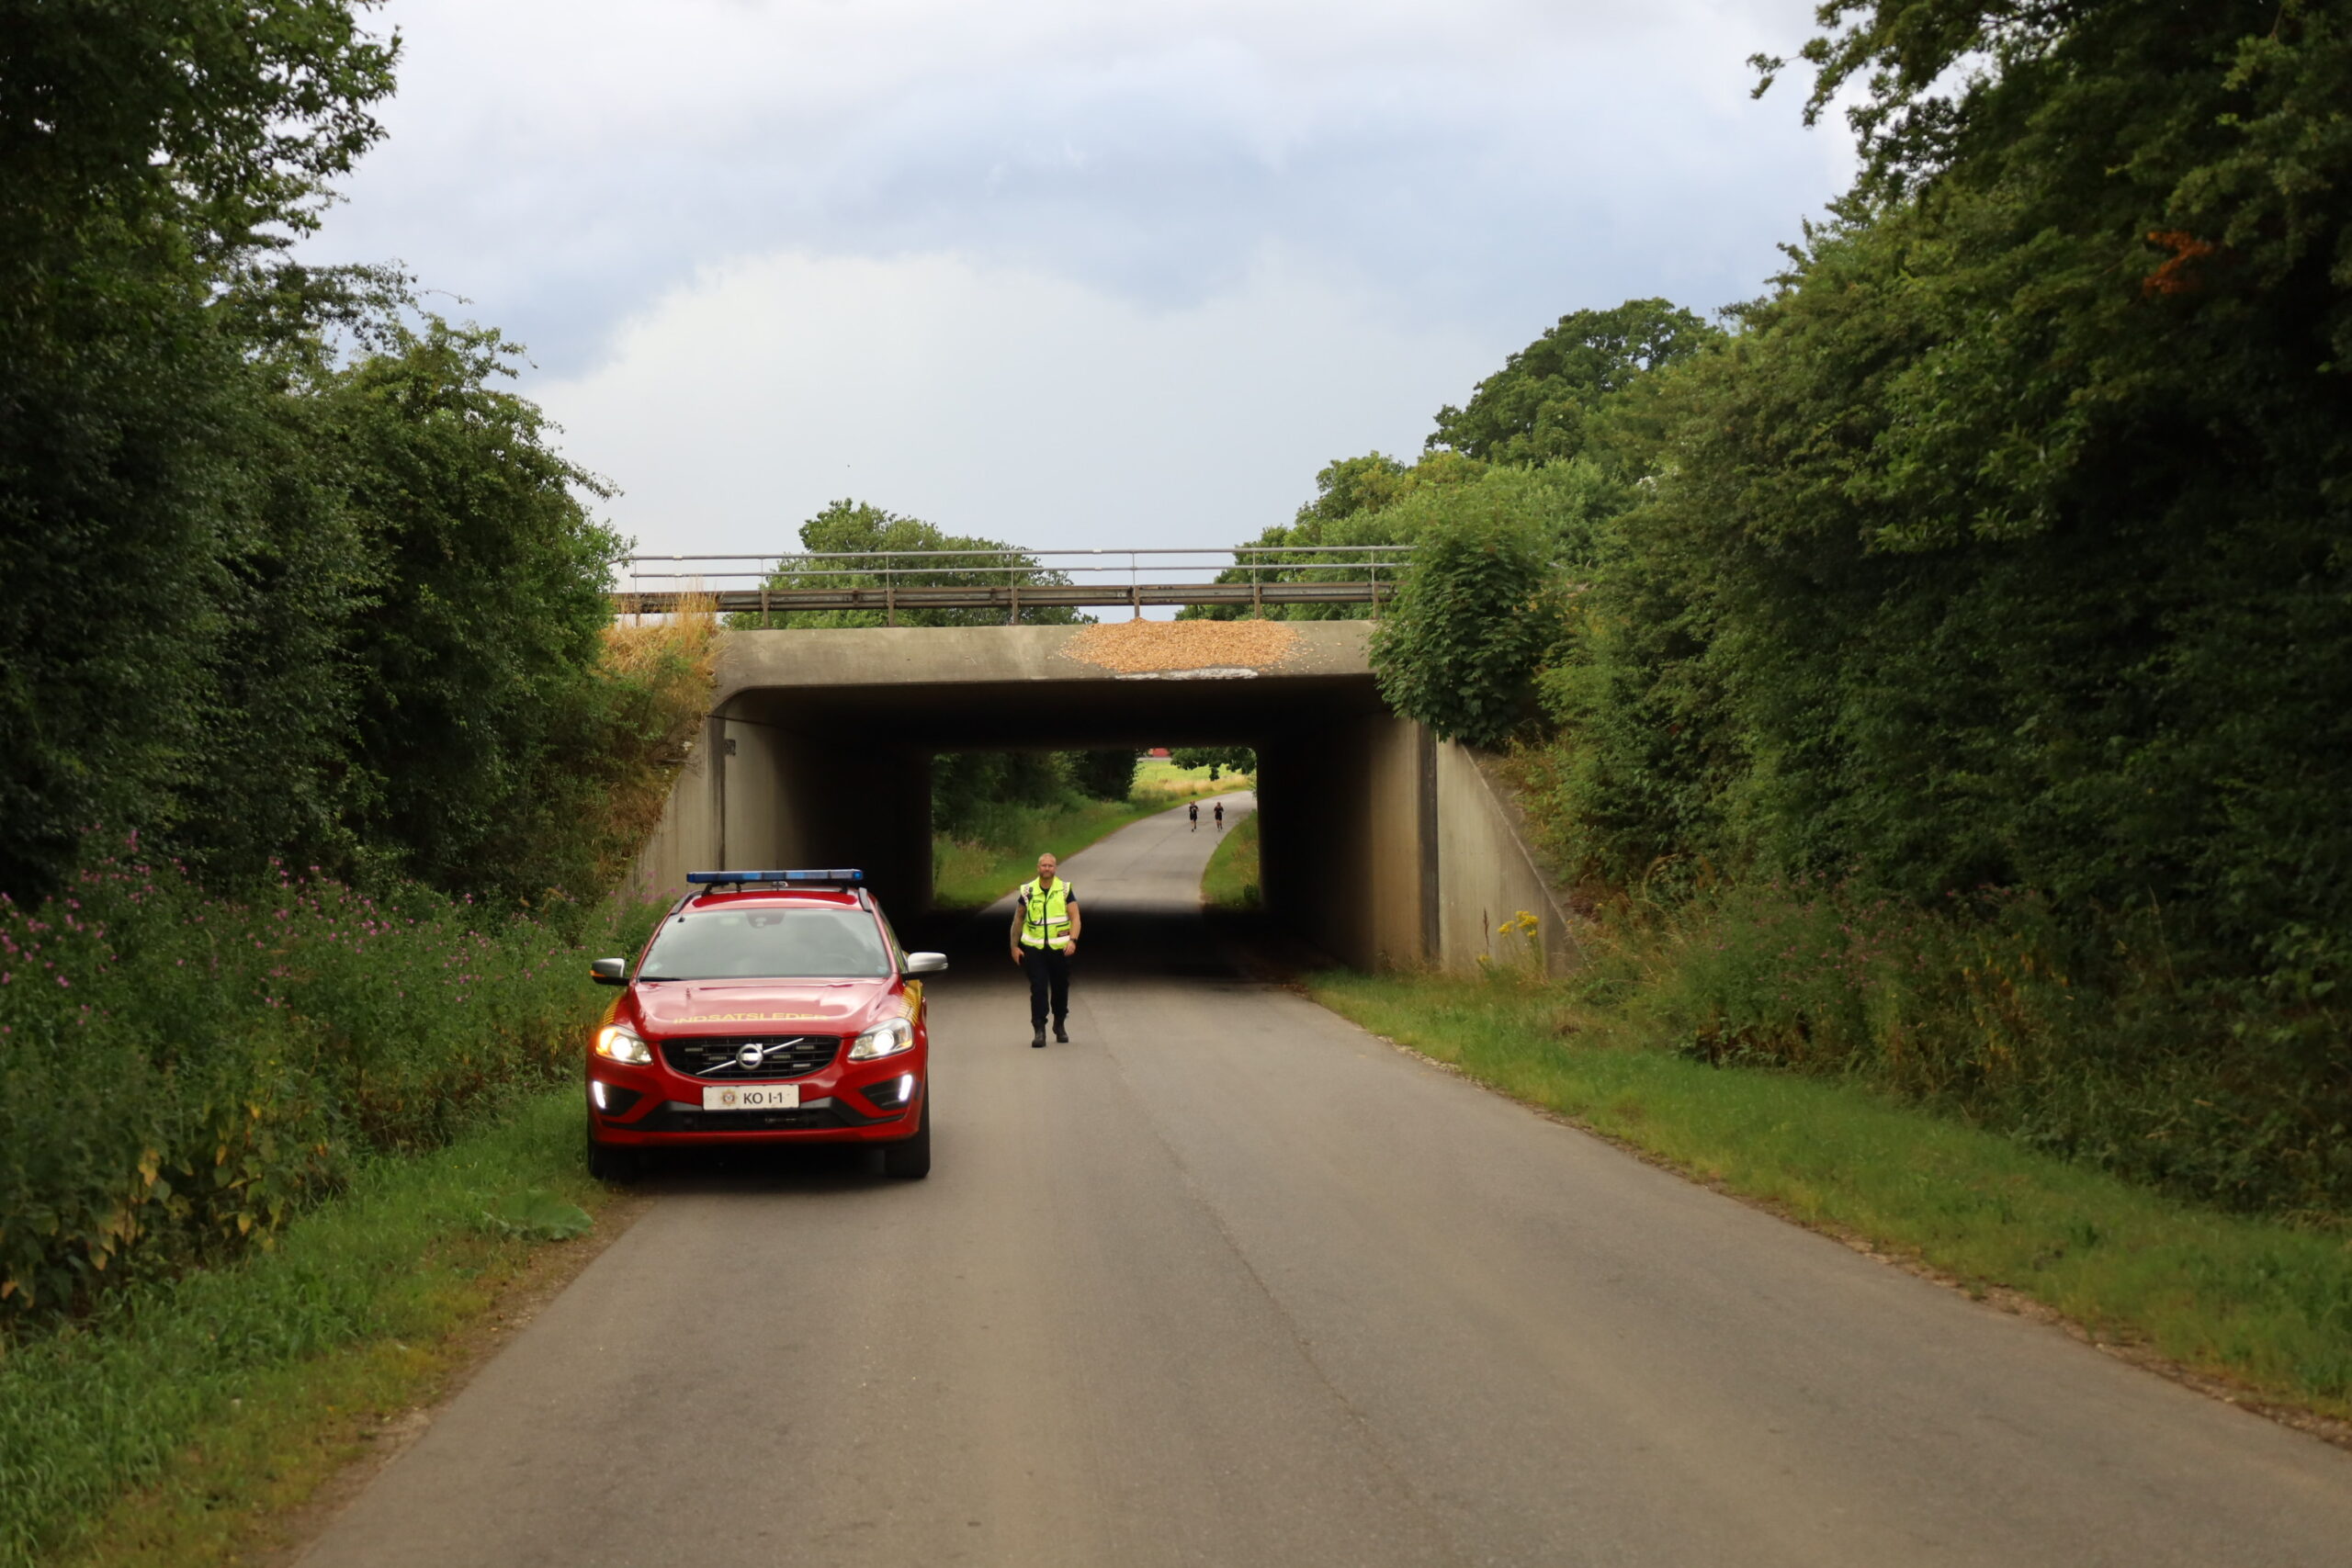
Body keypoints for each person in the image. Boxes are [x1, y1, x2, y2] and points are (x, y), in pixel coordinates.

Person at [1010, 852, 1080, 1047]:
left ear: (1055, 868)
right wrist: (1014, 946)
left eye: (1050, 866)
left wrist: (1072, 941)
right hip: (1034, 948)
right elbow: (1018, 919)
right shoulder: (1028, 891)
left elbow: (1075, 917)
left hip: (1060, 949)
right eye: (1043, 865)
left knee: (1060, 987)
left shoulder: (1065, 890)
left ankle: (1059, 1024)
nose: (1047, 868)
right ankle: (1039, 1029)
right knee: (1038, 988)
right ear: (1038, 868)